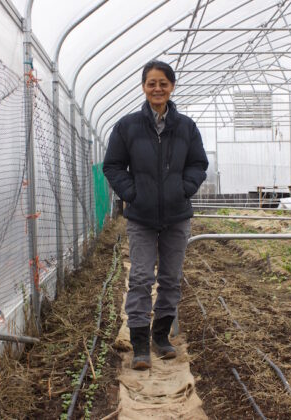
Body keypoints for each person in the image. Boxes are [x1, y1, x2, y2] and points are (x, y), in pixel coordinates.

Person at [103, 60, 208, 369]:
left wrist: (183, 188)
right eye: (152, 83)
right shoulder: (128, 126)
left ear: (172, 87)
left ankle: (161, 337)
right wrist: (133, 194)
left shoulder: (186, 127)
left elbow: (198, 164)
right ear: (144, 87)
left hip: (177, 215)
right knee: (140, 278)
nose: (157, 88)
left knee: (171, 279)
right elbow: (112, 166)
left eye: (163, 83)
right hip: (141, 217)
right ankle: (139, 343)